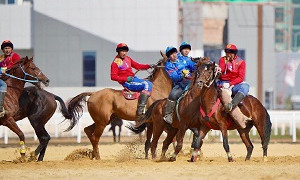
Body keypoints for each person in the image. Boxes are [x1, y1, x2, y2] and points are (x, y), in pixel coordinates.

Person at [110, 43, 154, 117]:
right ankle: (140, 110)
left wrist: (148, 66)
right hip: (127, 82)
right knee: (147, 84)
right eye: (122, 51)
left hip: (134, 79)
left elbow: (137, 66)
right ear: (118, 52)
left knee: (149, 83)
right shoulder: (115, 63)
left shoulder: (128, 58)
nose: (124, 53)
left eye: (125, 51)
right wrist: (126, 79)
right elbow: (113, 77)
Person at [217, 43, 250, 128]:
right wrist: (225, 63)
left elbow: (241, 78)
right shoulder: (222, 60)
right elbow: (221, 71)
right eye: (227, 52)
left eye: (231, 52)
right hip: (222, 83)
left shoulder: (241, 62)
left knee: (246, 86)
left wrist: (230, 84)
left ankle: (232, 105)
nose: (228, 54)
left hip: (234, 84)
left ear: (235, 53)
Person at [163, 46, 195, 124]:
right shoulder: (168, 65)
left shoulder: (183, 59)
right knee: (173, 94)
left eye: (174, 53)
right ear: (168, 57)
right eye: (171, 54)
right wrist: (182, 76)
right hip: (180, 83)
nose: (174, 55)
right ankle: (168, 114)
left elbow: (193, 65)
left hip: (192, 81)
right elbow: (174, 77)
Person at [0, 40, 21, 117]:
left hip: (12, 79)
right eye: (5, 48)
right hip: (3, 78)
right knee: (3, 85)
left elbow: (17, 65)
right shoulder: (1, 57)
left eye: (8, 48)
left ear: (11, 49)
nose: (7, 50)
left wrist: (5, 68)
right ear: (3, 50)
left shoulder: (15, 56)